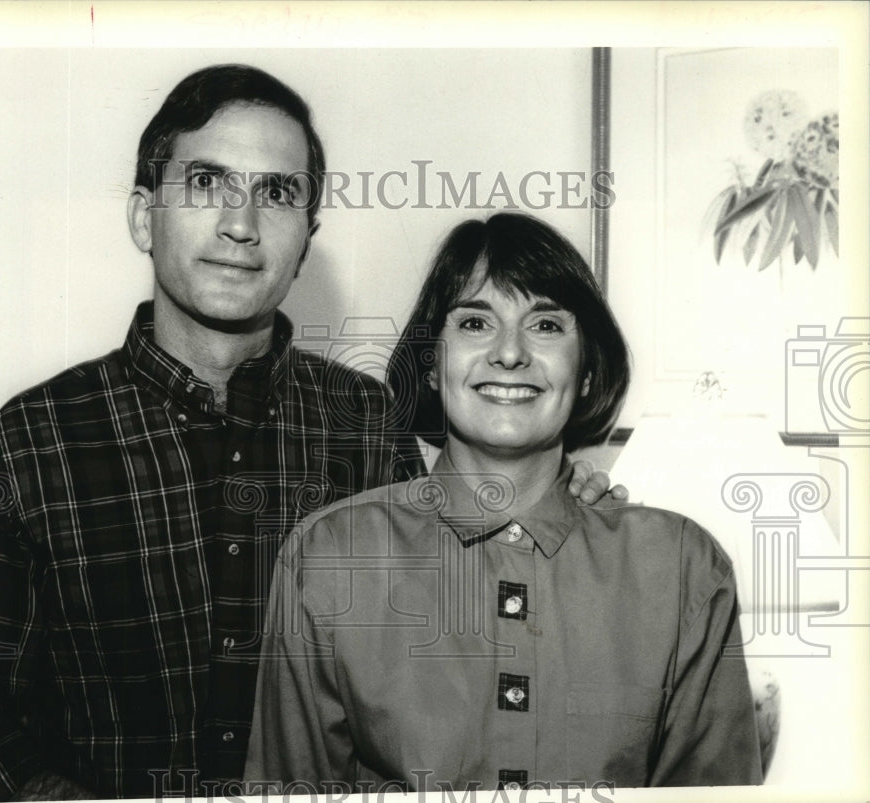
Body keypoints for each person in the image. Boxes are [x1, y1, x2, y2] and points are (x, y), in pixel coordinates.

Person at [0, 66, 619, 801]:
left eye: (277, 192)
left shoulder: (367, 423)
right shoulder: (33, 439)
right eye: (208, 183)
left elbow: (454, 653)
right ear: (143, 215)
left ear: (307, 236)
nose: (240, 224)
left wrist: (552, 502)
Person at [244, 212, 763, 791]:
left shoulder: (683, 569)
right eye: (474, 323)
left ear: (587, 369)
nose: (510, 354)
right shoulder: (328, 559)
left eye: (544, 325)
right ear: (432, 366)